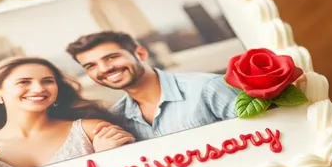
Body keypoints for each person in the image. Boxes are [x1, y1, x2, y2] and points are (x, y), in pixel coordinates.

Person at [0, 56, 135, 167]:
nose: (39, 89)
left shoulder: (92, 130)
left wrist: (107, 157)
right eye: (24, 82)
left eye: (47, 81)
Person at [65, 31, 239, 141]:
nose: (105, 69)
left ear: (140, 53)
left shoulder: (207, 88)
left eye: (111, 57)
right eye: (91, 66)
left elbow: (260, 136)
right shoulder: (116, 119)